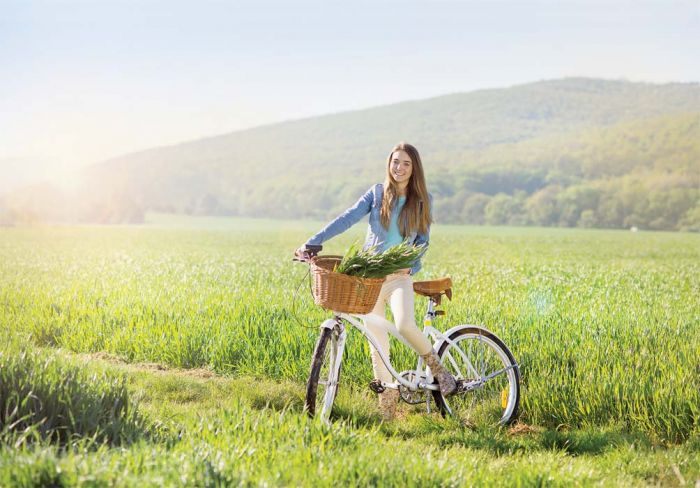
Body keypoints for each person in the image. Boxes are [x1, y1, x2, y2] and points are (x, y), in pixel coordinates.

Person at [295, 142, 456, 421]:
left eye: (406, 163)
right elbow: (346, 218)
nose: (399, 168)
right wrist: (313, 242)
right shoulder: (377, 193)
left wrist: (410, 265)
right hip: (368, 278)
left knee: (405, 324)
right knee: (377, 343)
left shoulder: (422, 200)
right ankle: (388, 408)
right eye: (395, 162)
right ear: (389, 163)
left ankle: (438, 369)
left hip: (397, 277)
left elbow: (422, 242)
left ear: (414, 168)